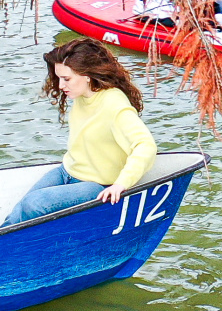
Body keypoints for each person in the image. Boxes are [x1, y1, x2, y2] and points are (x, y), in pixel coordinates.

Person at [3, 38, 157, 226]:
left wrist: (121, 184)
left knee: (33, 204)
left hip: (96, 185)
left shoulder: (114, 104)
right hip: (66, 172)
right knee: (21, 207)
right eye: (59, 78)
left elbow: (145, 146)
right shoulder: (82, 95)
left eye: (66, 79)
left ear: (87, 75)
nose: (61, 86)